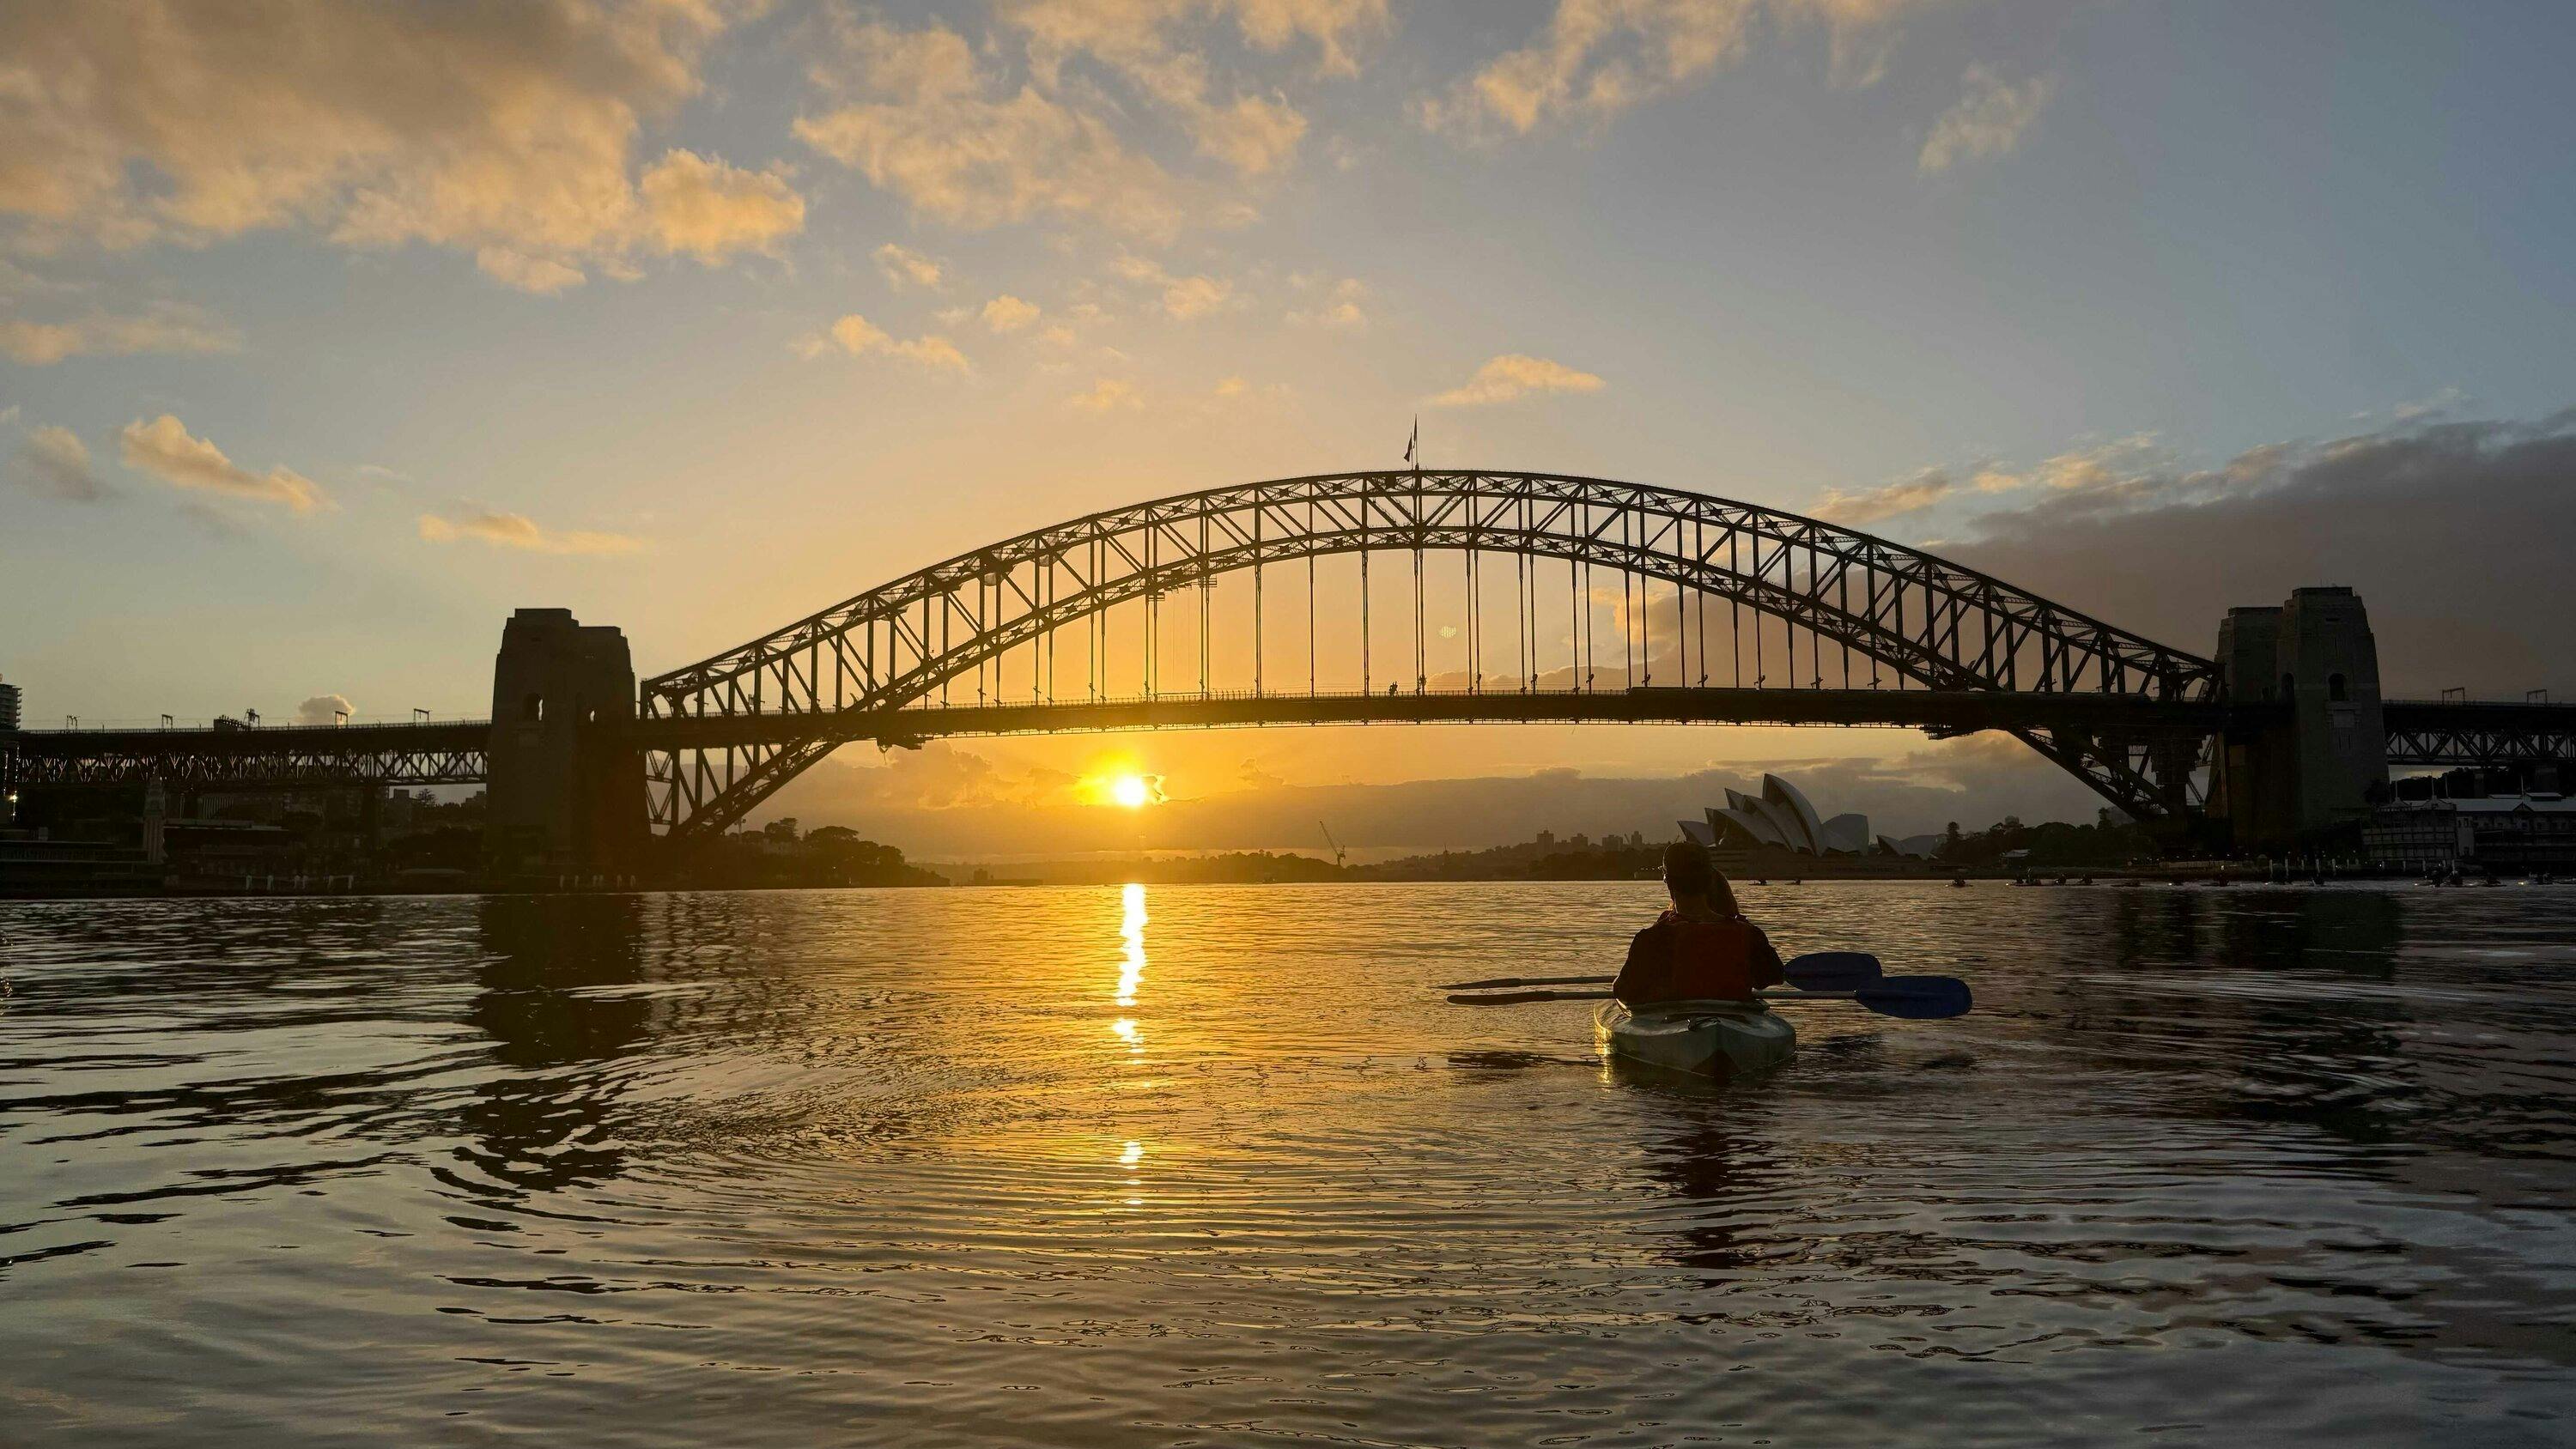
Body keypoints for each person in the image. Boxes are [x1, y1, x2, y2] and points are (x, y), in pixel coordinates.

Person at [1613, 840, 1785, 1006]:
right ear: (1711, 880)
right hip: (1735, 1019)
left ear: (1668, 882)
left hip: (1674, 1023)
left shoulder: (1652, 938)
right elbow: (1772, 978)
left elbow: (1623, 991)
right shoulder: (1750, 934)